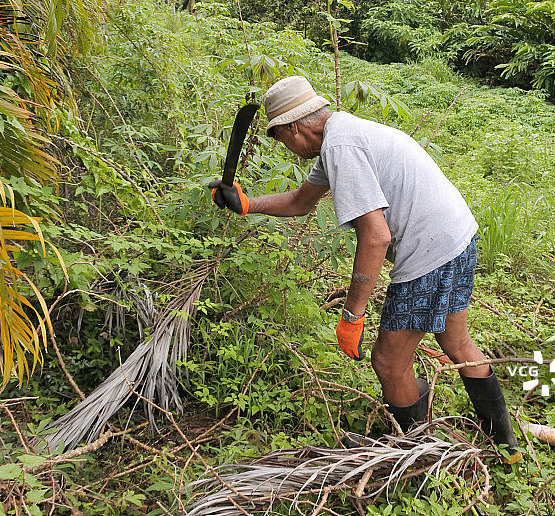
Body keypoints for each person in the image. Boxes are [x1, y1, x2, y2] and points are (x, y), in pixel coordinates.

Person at [209, 76, 521, 462]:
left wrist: (352, 315)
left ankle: (416, 458)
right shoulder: (340, 136)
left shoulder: (341, 146)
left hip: (430, 252)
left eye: (279, 138)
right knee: (457, 344)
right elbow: (300, 201)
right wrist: (246, 203)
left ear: (293, 127)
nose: (284, 147)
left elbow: (375, 237)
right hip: (457, 238)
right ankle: (505, 448)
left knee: (388, 361)